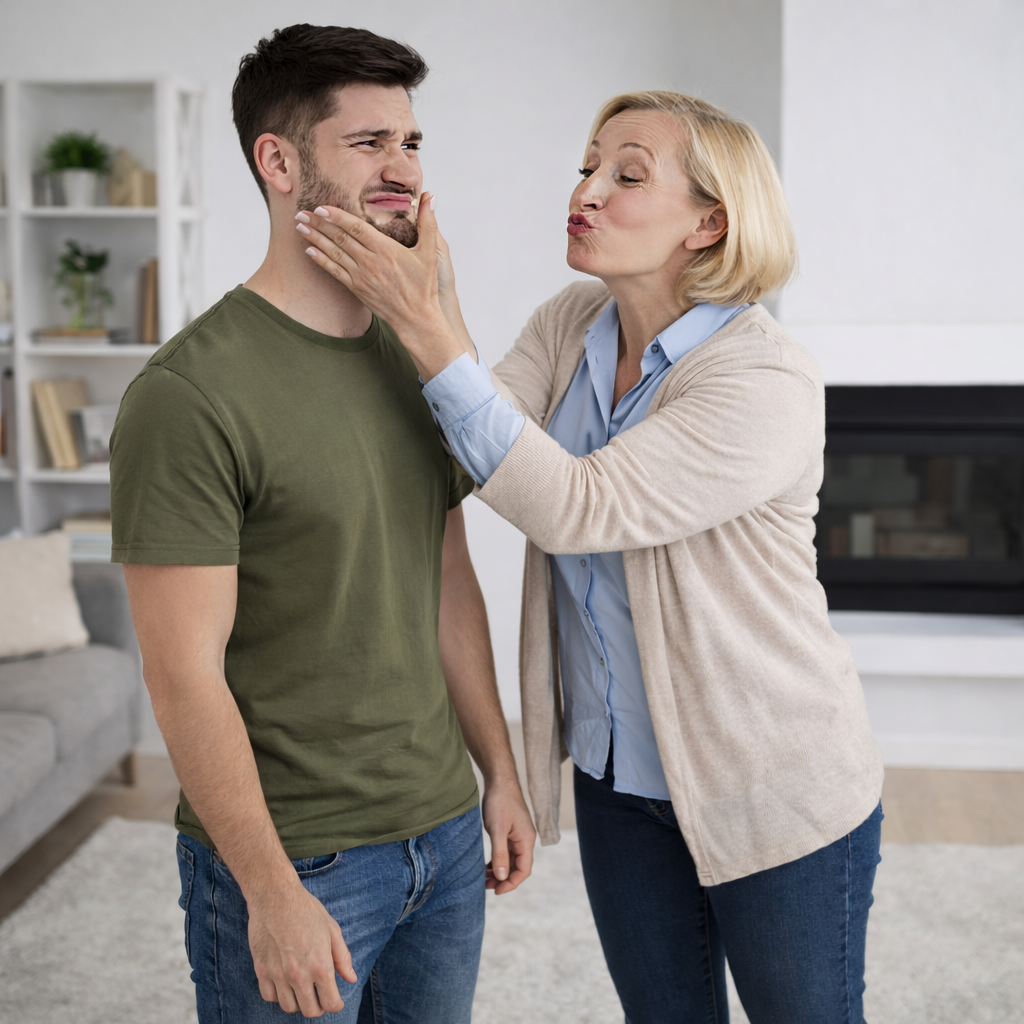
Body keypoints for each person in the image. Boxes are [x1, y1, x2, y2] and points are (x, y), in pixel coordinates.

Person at [296, 90, 886, 1024]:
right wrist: (431, 302)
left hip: (770, 781)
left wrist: (426, 325)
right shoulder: (573, 320)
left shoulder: (763, 377)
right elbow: (470, 445)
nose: (587, 191)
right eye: (588, 166)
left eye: (628, 175)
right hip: (617, 783)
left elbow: (579, 506)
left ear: (709, 223)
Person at [110, 24, 534, 1024]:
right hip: (299, 854)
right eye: (368, 142)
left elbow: (447, 579)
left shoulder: (418, 355)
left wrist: (499, 772)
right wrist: (267, 890)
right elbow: (182, 674)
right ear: (279, 161)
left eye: (411, 142)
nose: (403, 170)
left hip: (442, 834)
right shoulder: (188, 395)